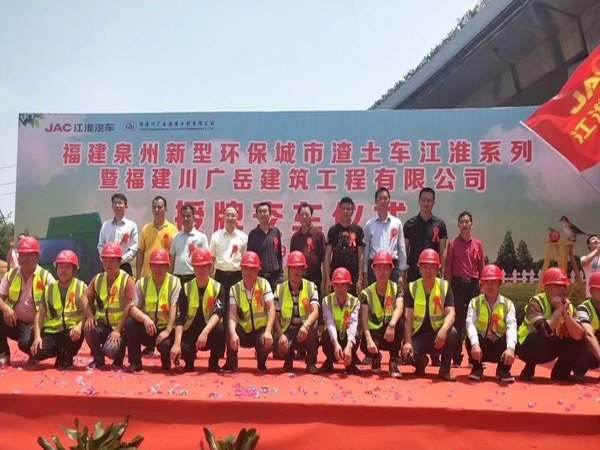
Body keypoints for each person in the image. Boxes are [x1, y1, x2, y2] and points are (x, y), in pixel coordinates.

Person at [30, 250, 95, 369]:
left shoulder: (81, 287)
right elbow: (40, 314)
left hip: (72, 332)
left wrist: (79, 326)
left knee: (67, 355)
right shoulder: (49, 289)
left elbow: (88, 313)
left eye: (67, 267)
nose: (63, 270)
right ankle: (60, 353)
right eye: (60, 267)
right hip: (52, 332)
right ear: (56, 269)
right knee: (36, 351)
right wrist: (37, 337)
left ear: (74, 270)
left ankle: (65, 355)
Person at [401, 249, 458, 381]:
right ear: (419, 269)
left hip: (438, 337)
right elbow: (408, 317)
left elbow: (451, 314)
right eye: (425, 267)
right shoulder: (412, 287)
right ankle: (420, 363)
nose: (428, 270)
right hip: (418, 336)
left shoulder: (444, 287)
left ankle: (445, 370)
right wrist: (408, 342)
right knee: (406, 354)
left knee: (453, 333)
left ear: (438, 269)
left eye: (432, 267)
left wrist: (443, 330)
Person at [166, 248, 226, 372]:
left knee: (221, 330)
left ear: (210, 267)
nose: (201, 270)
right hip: (190, 333)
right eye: (198, 266)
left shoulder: (218, 287)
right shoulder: (186, 288)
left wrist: (205, 332)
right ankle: (189, 362)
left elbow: (218, 313)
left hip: (209, 333)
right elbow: (180, 318)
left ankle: (213, 363)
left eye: (204, 266)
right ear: (193, 268)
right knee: (176, 343)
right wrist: (177, 344)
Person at [516, 267, 580, 381]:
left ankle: (560, 373)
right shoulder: (536, 302)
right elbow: (545, 331)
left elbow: (578, 335)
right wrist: (558, 310)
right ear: (546, 288)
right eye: (557, 285)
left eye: (564, 285)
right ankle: (529, 368)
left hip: (551, 345)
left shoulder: (568, 305)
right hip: (527, 347)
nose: (562, 289)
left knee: (576, 340)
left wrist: (566, 315)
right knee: (537, 339)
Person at [0, 237, 55, 366]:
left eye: (29, 255)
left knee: (25, 343)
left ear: (37, 256)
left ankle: (33, 352)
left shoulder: (46, 277)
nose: (25, 259)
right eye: (22, 255)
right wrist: (6, 309)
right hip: (14, 321)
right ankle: (3, 353)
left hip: (35, 326)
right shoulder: (11, 275)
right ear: (18, 257)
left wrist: (41, 326)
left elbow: (55, 306)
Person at [124, 248, 181, 372]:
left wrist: (167, 330)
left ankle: (166, 362)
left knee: (166, 345)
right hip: (148, 328)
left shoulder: (175, 282)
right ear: (150, 266)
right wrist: (145, 319)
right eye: (155, 265)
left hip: (165, 329)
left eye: (162, 265)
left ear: (167, 267)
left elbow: (174, 306)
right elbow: (132, 308)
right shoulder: (142, 283)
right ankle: (135, 363)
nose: (158, 269)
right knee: (130, 324)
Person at [85, 243, 135, 369]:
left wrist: (117, 330)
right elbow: (84, 298)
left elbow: (129, 307)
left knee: (112, 350)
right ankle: (98, 359)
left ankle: (118, 359)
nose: (108, 264)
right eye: (105, 260)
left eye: (112, 260)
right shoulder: (98, 279)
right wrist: (90, 316)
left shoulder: (127, 280)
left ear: (119, 262)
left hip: (120, 328)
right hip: (103, 325)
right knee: (88, 327)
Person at [444, 211, 485, 367]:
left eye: (467, 222)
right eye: (461, 222)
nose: (464, 225)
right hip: (457, 285)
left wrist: (483, 286)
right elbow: (448, 268)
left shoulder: (478, 244)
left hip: (473, 285)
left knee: (474, 320)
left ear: (471, 224)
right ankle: (456, 358)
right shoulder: (452, 244)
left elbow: (481, 267)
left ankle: (475, 358)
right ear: (458, 225)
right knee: (457, 321)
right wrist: (447, 288)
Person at [225, 251, 275, 373]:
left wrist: (268, 331)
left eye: (252, 269)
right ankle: (231, 363)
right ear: (241, 269)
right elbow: (232, 314)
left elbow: (271, 308)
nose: (249, 272)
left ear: (258, 270)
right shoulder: (234, 289)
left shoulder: (264, 284)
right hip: (243, 331)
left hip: (260, 331)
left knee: (265, 341)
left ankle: (261, 363)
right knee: (229, 330)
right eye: (246, 268)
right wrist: (233, 333)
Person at [465, 265, 516, 383]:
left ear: (500, 284)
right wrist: (475, 344)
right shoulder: (474, 302)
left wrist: (510, 348)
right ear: (481, 285)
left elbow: (511, 326)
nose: (490, 286)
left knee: (512, 339)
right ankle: (477, 368)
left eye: (494, 282)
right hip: (481, 347)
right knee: (470, 338)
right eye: (486, 282)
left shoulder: (508, 304)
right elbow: (470, 324)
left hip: (500, 346)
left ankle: (503, 370)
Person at [273, 251, 320, 374]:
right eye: (293, 268)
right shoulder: (279, 289)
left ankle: (311, 363)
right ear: (288, 270)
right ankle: (288, 359)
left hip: (304, 331)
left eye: (299, 268)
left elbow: (315, 311)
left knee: (313, 328)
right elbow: (275, 318)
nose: (296, 271)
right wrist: (280, 335)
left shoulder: (311, 287)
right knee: (280, 349)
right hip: (287, 332)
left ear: (304, 270)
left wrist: (306, 326)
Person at [360, 251, 404, 378]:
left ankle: (393, 360)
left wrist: (392, 325)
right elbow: (364, 320)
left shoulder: (397, 288)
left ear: (391, 270)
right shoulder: (366, 293)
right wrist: (369, 341)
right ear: (373, 270)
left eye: (385, 268)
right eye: (379, 268)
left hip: (390, 332)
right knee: (364, 343)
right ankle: (375, 357)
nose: (382, 272)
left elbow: (400, 307)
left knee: (400, 323)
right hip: (375, 333)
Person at [363, 187, 407, 287]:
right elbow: (366, 251)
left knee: (393, 295)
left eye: (385, 198)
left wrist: (402, 274)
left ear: (389, 201)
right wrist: (365, 274)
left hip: (392, 266)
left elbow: (402, 249)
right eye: (380, 198)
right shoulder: (369, 224)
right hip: (375, 267)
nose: (383, 201)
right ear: (376, 202)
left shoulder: (397, 223)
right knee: (374, 295)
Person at [320, 267, 361, 375]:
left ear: (348, 286)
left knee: (356, 336)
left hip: (347, 335)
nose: (340, 288)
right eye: (337, 285)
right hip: (334, 337)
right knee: (325, 336)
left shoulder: (355, 302)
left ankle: (350, 363)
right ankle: (330, 360)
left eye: (343, 285)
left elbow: (353, 324)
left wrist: (349, 345)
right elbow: (330, 323)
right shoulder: (326, 301)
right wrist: (335, 344)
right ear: (333, 286)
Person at [404, 187, 448, 283]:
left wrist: (442, 274)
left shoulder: (440, 224)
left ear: (434, 202)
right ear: (419, 201)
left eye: (429, 200)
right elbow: (405, 251)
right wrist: (403, 275)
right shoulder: (409, 224)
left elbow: (442, 251)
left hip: (433, 272)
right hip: (414, 272)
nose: (426, 203)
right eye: (423, 200)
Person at [324, 197, 365, 296]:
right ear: (339, 210)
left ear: (353, 211)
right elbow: (327, 255)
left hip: (353, 275)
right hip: (336, 275)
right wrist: (327, 279)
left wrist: (360, 278)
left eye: (348, 209)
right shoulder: (333, 230)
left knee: (352, 302)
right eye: (343, 209)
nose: (346, 211)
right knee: (335, 302)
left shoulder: (358, 230)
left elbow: (361, 255)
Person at [289, 203, 326, 298]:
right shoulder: (295, 237)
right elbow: (291, 262)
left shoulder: (319, 235)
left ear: (311, 216)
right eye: (302, 214)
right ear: (298, 217)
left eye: (307, 214)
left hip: (315, 277)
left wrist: (325, 280)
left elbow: (324, 260)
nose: (304, 217)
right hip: (298, 279)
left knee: (315, 303)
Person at [137, 196, 178, 279]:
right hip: (147, 276)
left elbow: (173, 257)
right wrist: (138, 276)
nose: (156, 210)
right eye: (154, 207)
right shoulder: (145, 229)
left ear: (165, 209)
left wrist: (170, 276)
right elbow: (140, 253)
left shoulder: (173, 230)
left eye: (159, 207)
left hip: (165, 277)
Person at [97, 193, 138, 276]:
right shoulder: (106, 225)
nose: (117, 205)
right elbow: (100, 245)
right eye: (115, 203)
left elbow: (134, 248)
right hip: (107, 266)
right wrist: (107, 261)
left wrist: (119, 261)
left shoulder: (131, 225)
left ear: (126, 206)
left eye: (120, 203)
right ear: (112, 206)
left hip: (124, 265)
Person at [247, 202, 283, 290]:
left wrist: (281, 274)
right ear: (257, 216)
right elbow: (250, 256)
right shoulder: (253, 234)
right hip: (260, 276)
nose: (263, 214)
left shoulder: (276, 231)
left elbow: (279, 255)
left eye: (265, 211)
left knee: (275, 298)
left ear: (270, 214)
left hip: (275, 277)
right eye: (260, 212)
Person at [170, 204, 209, 284]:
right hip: (177, 277)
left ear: (194, 218)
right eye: (183, 216)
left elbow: (207, 261)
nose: (185, 219)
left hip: (194, 276)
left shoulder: (201, 237)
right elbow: (172, 260)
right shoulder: (175, 237)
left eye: (188, 216)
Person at [573, 271, 600, 380]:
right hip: (587, 351)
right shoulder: (583, 308)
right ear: (591, 290)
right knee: (585, 340)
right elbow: (588, 335)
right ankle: (579, 370)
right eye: (599, 290)